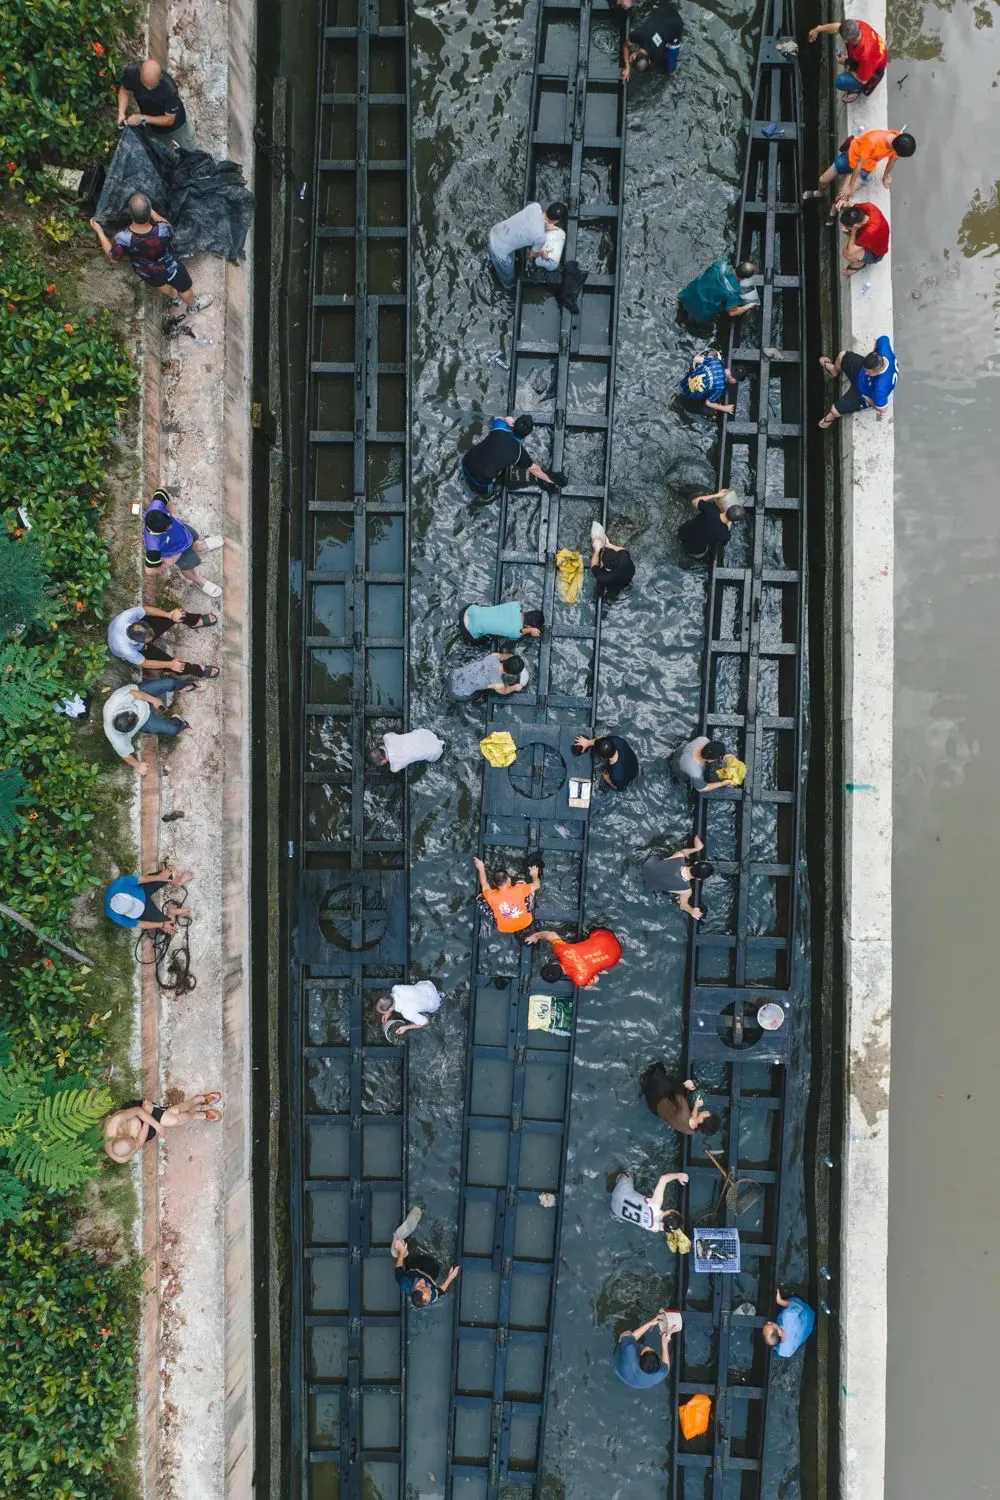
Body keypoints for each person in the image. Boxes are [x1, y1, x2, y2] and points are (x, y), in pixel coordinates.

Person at [90, 196, 213, 315]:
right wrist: (150, 210)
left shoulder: (123, 238)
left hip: (149, 272)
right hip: (171, 267)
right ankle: (193, 306)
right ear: (149, 212)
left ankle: (175, 297)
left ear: (130, 214)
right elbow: (165, 224)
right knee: (184, 289)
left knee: (161, 286)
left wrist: (100, 232)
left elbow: (113, 258)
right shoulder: (163, 229)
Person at [804, 129, 915, 215]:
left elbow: (892, 160)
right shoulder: (873, 141)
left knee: (842, 197)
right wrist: (850, 186)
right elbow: (858, 164)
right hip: (850, 159)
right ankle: (820, 193)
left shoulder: (896, 143)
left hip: (864, 168)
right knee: (822, 180)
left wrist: (886, 176)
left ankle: (832, 212)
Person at [102, 678, 198, 775]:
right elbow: (125, 754)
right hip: (145, 720)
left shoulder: (116, 702)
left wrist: (154, 700)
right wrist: (137, 765)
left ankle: (185, 685)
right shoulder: (116, 738)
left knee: (169, 683)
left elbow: (135, 694)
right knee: (173, 730)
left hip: (139, 692)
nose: (135, 712)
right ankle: (178, 721)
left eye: (132, 713)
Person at [143, 490, 224, 599]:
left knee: (195, 541)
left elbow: (162, 491)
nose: (171, 527)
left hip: (185, 533)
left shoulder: (157, 504)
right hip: (177, 552)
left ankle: (199, 547)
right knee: (188, 567)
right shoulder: (153, 545)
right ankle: (197, 580)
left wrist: (173, 513)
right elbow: (149, 570)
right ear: (158, 532)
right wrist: (169, 562)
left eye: (169, 523)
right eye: (167, 529)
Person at [103, 1093, 221, 1163]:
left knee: (174, 1118)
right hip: (146, 1128)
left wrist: (157, 1125)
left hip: (141, 1110)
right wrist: (148, 1123)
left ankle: (198, 1108)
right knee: (174, 1115)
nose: (135, 1139)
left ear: (120, 1134)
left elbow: (138, 1111)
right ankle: (196, 1107)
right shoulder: (122, 1157)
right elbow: (140, 1141)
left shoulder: (116, 1121)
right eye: (134, 1139)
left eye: (132, 1138)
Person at [461, 415, 559, 499]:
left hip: (466, 462)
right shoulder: (519, 453)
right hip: (480, 481)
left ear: (513, 424)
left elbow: (503, 419)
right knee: (487, 495)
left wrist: (509, 419)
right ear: (527, 435)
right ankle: (476, 499)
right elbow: (535, 469)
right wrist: (549, 480)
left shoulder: (499, 427)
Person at [108, 604, 219, 677]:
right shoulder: (127, 650)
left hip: (140, 637)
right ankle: (198, 670)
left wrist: (170, 616)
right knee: (176, 666)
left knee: (178, 614)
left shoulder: (128, 616)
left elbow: (147, 610)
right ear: (141, 641)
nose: (152, 638)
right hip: (140, 651)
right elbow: (146, 663)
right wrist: (170, 664)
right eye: (149, 640)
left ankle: (194, 621)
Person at [818, 336, 897, 430]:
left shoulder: (879, 389)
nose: (866, 372)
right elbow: (883, 339)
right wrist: (867, 367)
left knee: (834, 410)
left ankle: (828, 421)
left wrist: (868, 400)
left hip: (863, 393)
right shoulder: (883, 346)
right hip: (862, 374)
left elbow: (883, 409)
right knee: (842, 355)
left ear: (878, 371)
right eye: (865, 369)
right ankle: (835, 371)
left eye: (868, 372)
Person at [117, 57, 196, 150]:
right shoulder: (131, 72)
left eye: (152, 85)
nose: (148, 88)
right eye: (145, 84)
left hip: (177, 126)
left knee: (191, 150)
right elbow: (124, 90)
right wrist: (121, 113)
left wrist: (142, 118)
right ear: (140, 73)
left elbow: (169, 120)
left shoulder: (169, 88)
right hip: (154, 127)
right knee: (161, 153)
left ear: (160, 77)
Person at [487, 201, 568, 289]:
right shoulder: (540, 237)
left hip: (496, 231)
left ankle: (493, 263)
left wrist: (544, 226)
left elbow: (529, 221)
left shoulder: (535, 206)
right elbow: (532, 254)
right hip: (499, 250)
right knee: (508, 277)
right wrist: (542, 253)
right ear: (556, 221)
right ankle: (508, 287)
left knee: (501, 255)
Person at [808, 18, 887, 99]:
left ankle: (856, 89)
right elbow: (837, 27)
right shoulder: (858, 25)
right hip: (872, 54)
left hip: (874, 69)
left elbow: (863, 80)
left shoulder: (866, 56)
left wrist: (846, 63)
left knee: (841, 81)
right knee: (852, 54)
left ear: (846, 40)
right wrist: (818, 29)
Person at [642, 834, 713, 920]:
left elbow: (685, 852)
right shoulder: (686, 891)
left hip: (646, 864)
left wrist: (697, 849)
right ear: (699, 879)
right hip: (648, 885)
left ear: (695, 863)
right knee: (676, 898)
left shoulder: (680, 856)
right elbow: (683, 906)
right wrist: (692, 911)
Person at [105, 865, 194, 933]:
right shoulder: (115, 916)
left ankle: (176, 881)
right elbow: (140, 924)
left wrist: (160, 877)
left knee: (171, 871)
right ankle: (172, 911)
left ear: (127, 894)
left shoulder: (121, 883)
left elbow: (142, 879)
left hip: (142, 889)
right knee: (170, 927)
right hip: (143, 912)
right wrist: (162, 925)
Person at [640, 1062, 721, 1136]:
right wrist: (696, 1106)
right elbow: (693, 1119)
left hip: (656, 1097)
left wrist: (685, 1085)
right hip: (656, 1111)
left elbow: (677, 1087)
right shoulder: (693, 1132)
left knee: (660, 1071)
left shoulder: (684, 1111)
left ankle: (647, 1075)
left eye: (708, 1114)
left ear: (701, 1120)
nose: (707, 1111)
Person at [524, 927, 622, 987]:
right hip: (605, 936)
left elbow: (596, 979)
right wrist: (536, 936)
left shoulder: (580, 980)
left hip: (615, 957)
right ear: (553, 963)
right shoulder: (564, 951)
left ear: (560, 977)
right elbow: (552, 935)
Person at [613, 1309, 683, 1389]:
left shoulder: (629, 1351)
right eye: (652, 1351)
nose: (649, 1347)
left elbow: (626, 1336)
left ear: (639, 1356)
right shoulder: (661, 1373)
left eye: (647, 1350)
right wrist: (664, 1344)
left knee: (627, 1334)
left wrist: (649, 1324)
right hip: (638, 1384)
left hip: (620, 1366)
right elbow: (667, 1366)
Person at [678, 258, 759, 326]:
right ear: (746, 278)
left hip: (688, 294)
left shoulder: (719, 264)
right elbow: (732, 313)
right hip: (700, 311)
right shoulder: (734, 292)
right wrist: (749, 305)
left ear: (740, 263)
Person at [473, 857, 541, 934]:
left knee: (480, 898)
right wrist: (534, 875)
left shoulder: (491, 895)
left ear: (495, 884)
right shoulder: (519, 888)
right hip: (527, 921)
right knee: (522, 882)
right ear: (509, 879)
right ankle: (530, 901)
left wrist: (481, 868)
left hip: (503, 928)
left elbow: (484, 883)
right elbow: (537, 885)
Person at [392, 1234, 459, 1308]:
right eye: (430, 1294)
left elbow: (398, 1269)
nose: (431, 1291)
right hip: (430, 1274)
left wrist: (401, 1252)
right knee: (434, 1264)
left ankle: (405, 1248)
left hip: (414, 1269)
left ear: (418, 1288)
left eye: (428, 1291)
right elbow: (440, 1291)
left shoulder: (405, 1284)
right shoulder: (430, 1297)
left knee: (407, 1261)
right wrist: (450, 1278)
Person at [678, 488, 745, 562]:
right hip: (693, 551)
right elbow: (722, 542)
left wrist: (716, 495)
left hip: (683, 532)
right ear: (734, 521)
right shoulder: (725, 535)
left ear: (727, 508)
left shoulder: (710, 509)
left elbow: (694, 501)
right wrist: (729, 522)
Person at [610, 1169, 688, 1232]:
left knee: (628, 1172)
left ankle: (618, 1179)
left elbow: (664, 1179)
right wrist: (674, 1228)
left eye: (674, 1211)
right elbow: (664, 1228)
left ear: (670, 1211)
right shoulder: (654, 1227)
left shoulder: (655, 1205)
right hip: (616, 1210)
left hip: (620, 1194)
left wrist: (679, 1175)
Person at [621, 2, 684, 79]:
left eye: (630, 58)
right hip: (664, 10)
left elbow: (625, 45)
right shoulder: (637, 35)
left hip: (676, 25)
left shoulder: (657, 53)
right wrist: (627, 66)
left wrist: (627, 66)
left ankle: (673, 73)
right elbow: (626, 45)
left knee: (671, 68)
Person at [678, 349, 739, 415]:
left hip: (682, 384)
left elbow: (695, 359)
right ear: (733, 379)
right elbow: (708, 403)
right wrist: (724, 408)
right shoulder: (720, 387)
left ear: (730, 369)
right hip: (688, 397)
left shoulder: (715, 361)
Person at [448, 651, 528, 702]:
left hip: (452, 676)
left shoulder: (493, 656)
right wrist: (515, 687)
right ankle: (478, 700)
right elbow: (505, 691)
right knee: (477, 695)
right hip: (457, 694)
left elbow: (504, 656)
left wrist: (513, 658)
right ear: (511, 673)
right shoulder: (498, 684)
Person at [762, 1287, 817, 1358]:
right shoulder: (787, 1316)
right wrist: (780, 1301)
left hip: (808, 1330)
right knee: (792, 1302)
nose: (769, 1322)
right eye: (770, 1324)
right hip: (808, 1315)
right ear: (779, 1332)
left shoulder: (782, 1352)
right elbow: (797, 1306)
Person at [573, 732, 639, 790]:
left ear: (602, 757)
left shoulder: (617, 776)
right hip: (634, 762)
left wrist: (607, 779)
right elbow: (603, 740)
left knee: (604, 782)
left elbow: (616, 786)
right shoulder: (617, 740)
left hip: (626, 778)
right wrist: (587, 742)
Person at [375, 981, 443, 1035]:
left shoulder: (407, 1013)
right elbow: (392, 1000)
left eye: (383, 1012)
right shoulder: (396, 988)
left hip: (435, 1003)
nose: (382, 1013)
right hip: (428, 986)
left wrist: (405, 1027)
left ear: (389, 1009)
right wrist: (388, 1012)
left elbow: (425, 1022)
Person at [840, 202, 890, 277]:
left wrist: (853, 231)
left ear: (855, 226)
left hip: (875, 254)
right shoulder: (869, 207)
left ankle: (859, 264)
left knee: (847, 253)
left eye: (848, 226)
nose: (846, 227)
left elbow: (850, 250)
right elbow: (853, 205)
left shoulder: (869, 232)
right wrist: (844, 204)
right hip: (875, 238)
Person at [460, 601, 544, 643]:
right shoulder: (515, 632)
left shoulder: (515, 604)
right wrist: (529, 631)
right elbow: (518, 633)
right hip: (467, 630)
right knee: (485, 641)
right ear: (529, 626)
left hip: (468, 610)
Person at [589, 523, 635, 597]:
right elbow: (622, 550)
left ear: (602, 564)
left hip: (611, 584)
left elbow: (593, 566)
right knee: (618, 588)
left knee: (600, 590)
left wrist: (597, 550)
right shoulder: (624, 558)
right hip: (626, 579)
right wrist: (608, 544)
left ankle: (601, 597)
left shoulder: (603, 576)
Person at [370, 728, 444, 771]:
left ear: (383, 761)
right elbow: (386, 738)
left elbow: (393, 770)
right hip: (428, 734)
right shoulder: (387, 737)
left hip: (436, 752)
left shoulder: (395, 767)